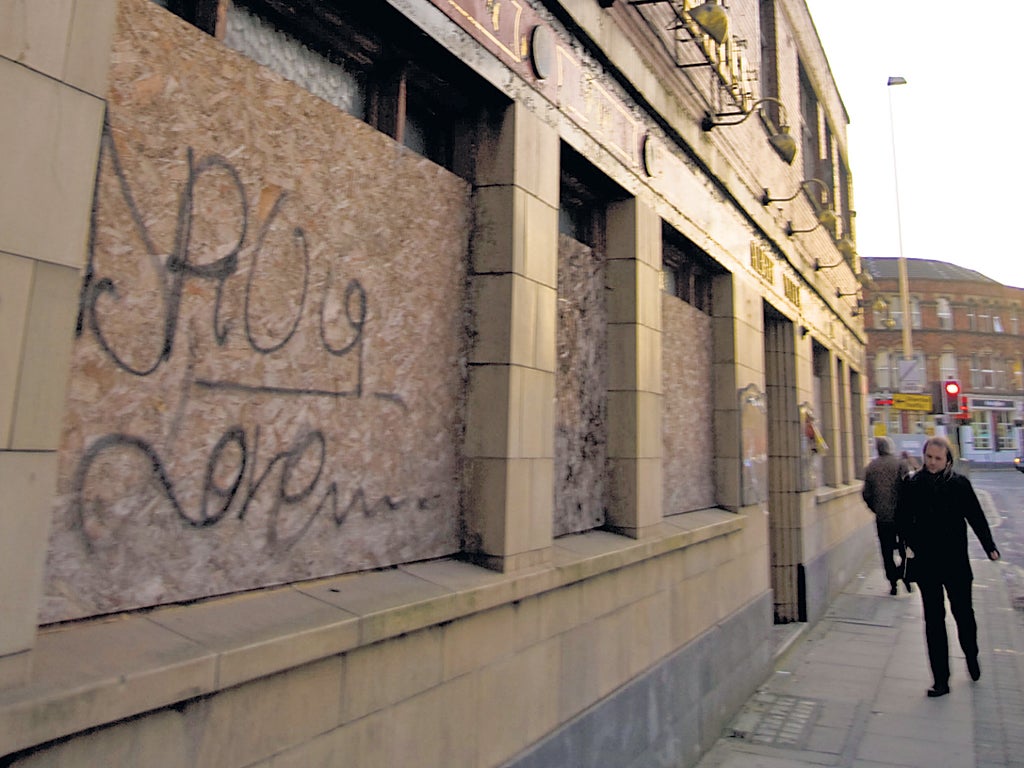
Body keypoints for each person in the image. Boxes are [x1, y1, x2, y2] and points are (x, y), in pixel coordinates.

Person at [896, 435, 1001, 698]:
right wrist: (905, 551)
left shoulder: (959, 485)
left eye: (937, 459)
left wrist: (989, 546)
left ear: (948, 460)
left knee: (963, 614)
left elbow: (976, 517)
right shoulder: (912, 484)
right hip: (927, 564)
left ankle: (971, 654)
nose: (932, 463)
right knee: (934, 620)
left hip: (955, 563)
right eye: (929, 457)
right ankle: (940, 680)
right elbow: (902, 521)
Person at [862, 436, 910, 595]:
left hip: (883, 517)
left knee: (886, 550)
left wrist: (875, 508)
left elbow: (866, 494)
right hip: (901, 516)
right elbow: (908, 488)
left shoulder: (871, 467)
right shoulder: (900, 465)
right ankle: (904, 572)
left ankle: (892, 582)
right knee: (905, 547)